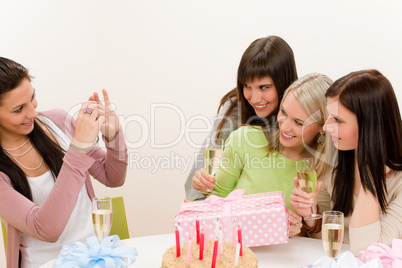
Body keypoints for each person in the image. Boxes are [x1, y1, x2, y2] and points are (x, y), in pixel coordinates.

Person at [0, 57, 128, 267]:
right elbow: (45, 229)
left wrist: (114, 136)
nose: (32, 112)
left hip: (96, 258)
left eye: (32, 98)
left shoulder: (57, 122)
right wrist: (79, 147)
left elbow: (112, 177)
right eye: (18, 109)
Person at [290, 69, 402, 254]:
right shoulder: (337, 163)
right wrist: (309, 213)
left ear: (369, 126)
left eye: (337, 120)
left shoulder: (397, 181)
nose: (326, 127)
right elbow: (325, 239)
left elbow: (369, 251)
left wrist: (370, 179)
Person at [212, 73, 335, 237]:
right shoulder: (244, 140)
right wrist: (266, 223)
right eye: (283, 112)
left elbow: (323, 239)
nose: (285, 127)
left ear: (323, 126)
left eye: (298, 122)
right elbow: (215, 206)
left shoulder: (324, 167)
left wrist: (306, 221)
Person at [186, 35, 298, 201]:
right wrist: (203, 185)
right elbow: (206, 184)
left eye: (264, 87)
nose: (254, 98)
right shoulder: (233, 113)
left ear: (284, 83)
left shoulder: (300, 110)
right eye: (247, 86)